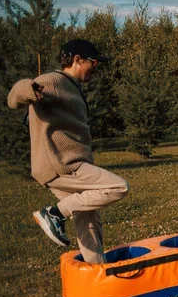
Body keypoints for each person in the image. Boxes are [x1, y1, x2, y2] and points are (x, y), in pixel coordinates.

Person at [8, 38, 128, 264]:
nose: (96, 68)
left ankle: (96, 273)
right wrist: (30, 90)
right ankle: (54, 214)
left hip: (67, 165)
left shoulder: (71, 86)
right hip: (63, 164)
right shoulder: (53, 81)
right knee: (118, 186)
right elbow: (14, 96)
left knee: (88, 222)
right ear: (77, 59)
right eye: (94, 62)